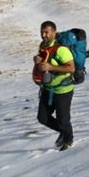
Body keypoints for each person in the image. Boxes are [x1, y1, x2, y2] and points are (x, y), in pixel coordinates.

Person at [33, 20, 75, 151]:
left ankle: (68, 139)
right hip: (48, 89)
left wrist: (51, 66)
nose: (44, 35)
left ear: (54, 32)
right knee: (42, 118)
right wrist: (37, 60)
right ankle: (64, 132)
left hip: (63, 90)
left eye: (47, 32)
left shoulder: (61, 49)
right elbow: (43, 62)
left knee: (63, 120)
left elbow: (71, 68)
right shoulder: (43, 46)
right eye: (42, 32)